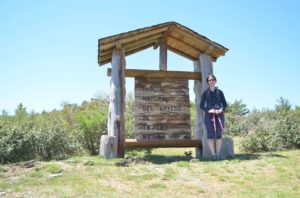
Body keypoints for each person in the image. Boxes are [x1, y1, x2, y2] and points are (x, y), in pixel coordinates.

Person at [200, 74, 227, 161]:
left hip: (219, 115)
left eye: (212, 80)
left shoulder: (220, 92)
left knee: (219, 135)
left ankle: (218, 155)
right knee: (210, 135)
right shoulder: (205, 93)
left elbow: (225, 104)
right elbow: (201, 105)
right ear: (208, 82)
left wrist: (221, 110)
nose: (211, 81)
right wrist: (209, 110)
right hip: (209, 116)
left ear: (215, 81)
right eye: (209, 80)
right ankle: (213, 155)